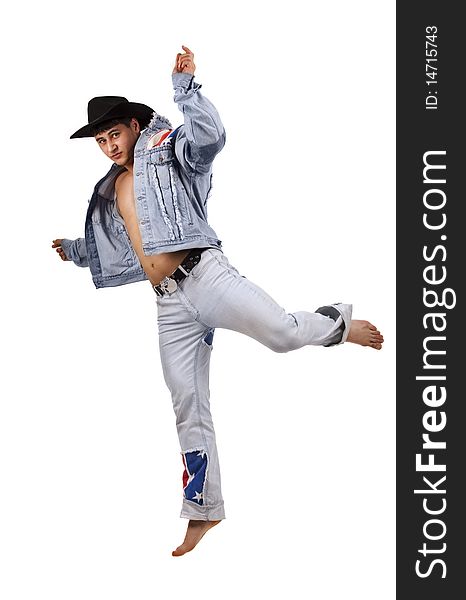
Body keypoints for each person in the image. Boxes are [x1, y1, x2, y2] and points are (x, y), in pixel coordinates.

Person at [52, 45, 384, 557]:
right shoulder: (109, 188)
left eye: (113, 134)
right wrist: (74, 251)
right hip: (167, 305)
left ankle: (337, 325)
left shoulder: (166, 148)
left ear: (134, 126)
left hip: (206, 274)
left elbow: (211, 139)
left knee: (282, 335)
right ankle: (203, 511)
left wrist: (185, 89)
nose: (108, 146)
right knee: (188, 405)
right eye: (100, 140)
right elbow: (116, 244)